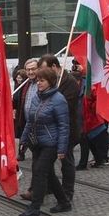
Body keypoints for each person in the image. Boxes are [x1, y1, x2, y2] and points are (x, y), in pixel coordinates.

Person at [19, 67, 70, 216]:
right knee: (48, 174)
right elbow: (30, 120)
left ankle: (35, 207)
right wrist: (23, 139)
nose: (39, 83)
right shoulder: (37, 97)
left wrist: (62, 149)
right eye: (38, 80)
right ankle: (63, 201)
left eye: (42, 80)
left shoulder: (59, 99)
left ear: (51, 81)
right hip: (37, 142)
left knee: (40, 171)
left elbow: (64, 126)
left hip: (51, 143)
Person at [38, 54, 81, 202]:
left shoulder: (69, 82)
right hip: (49, 130)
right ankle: (47, 188)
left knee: (66, 161)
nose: (41, 75)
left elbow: (66, 108)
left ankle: (67, 192)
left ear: (54, 67)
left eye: (44, 70)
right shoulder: (51, 82)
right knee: (46, 162)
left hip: (67, 128)